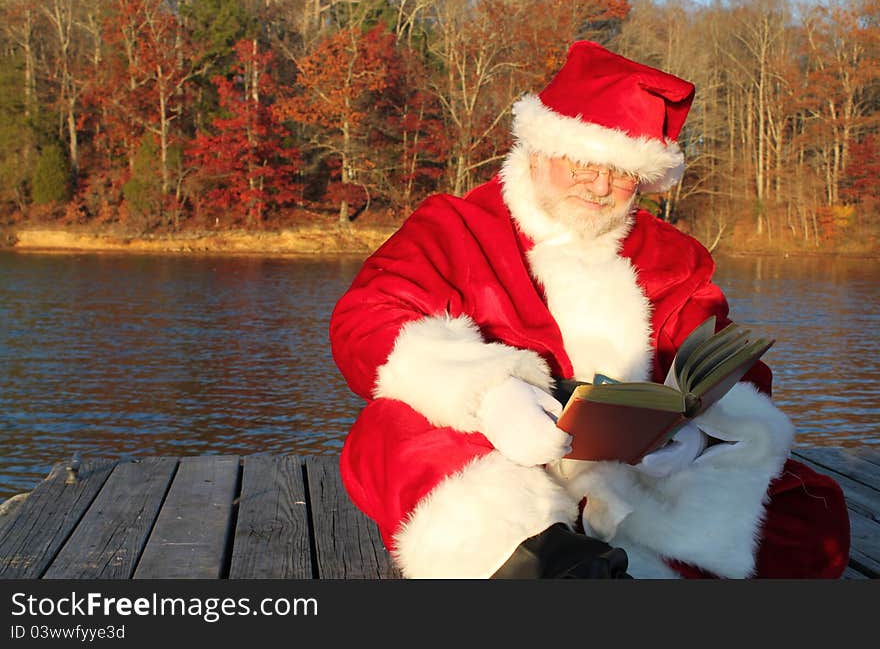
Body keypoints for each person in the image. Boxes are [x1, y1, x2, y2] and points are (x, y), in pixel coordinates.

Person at [329, 41, 851, 579]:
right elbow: (367, 320)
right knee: (392, 428)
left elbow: (719, 358)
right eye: (582, 160)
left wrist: (694, 432)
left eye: (623, 173)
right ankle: (529, 563)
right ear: (537, 150)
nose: (601, 186)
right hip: (497, 452)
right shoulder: (453, 227)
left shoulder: (671, 256)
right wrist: (489, 394)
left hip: (630, 470)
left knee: (813, 509)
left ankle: (630, 570)